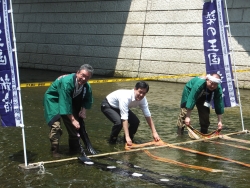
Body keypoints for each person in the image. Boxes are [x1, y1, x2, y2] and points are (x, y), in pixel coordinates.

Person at [43, 64, 94, 157]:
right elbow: (64, 102)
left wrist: (83, 111)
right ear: (77, 73)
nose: (83, 79)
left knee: (75, 127)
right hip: (53, 99)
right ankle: (55, 151)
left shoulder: (86, 86)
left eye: (87, 77)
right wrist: (73, 120)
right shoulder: (67, 82)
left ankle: (74, 150)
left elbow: (87, 99)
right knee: (56, 126)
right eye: (82, 75)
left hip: (68, 100)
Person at [101, 81, 161, 146]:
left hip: (120, 107)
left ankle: (128, 141)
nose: (141, 95)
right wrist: (127, 136)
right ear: (135, 89)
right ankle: (112, 142)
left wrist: (154, 132)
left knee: (135, 122)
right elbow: (124, 118)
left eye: (144, 93)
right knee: (119, 123)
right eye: (140, 92)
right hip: (108, 105)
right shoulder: (126, 97)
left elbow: (147, 115)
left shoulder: (143, 99)